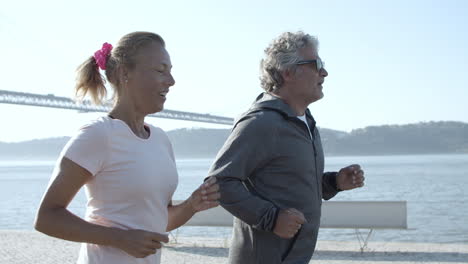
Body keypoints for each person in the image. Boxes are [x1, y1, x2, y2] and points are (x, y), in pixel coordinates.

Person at [34, 31, 220, 264]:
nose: (171, 81)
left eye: (170, 71)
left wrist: (192, 205)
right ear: (125, 73)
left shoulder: (161, 140)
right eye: (161, 70)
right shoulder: (98, 134)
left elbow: (157, 221)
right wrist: (120, 238)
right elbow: (47, 217)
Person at [207, 31, 366, 264]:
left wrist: (334, 183)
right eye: (316, 64)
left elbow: (287, 185)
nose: (324, 72)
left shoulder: (305, 123)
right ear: (288, 72)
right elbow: (218, 183)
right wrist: (271, 219)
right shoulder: (262, 123)